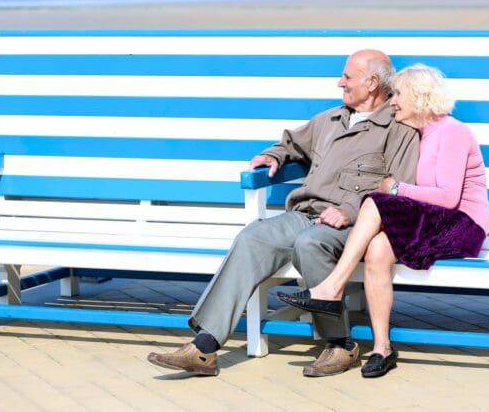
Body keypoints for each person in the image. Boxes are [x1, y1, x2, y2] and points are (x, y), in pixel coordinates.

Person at [147, 50, 419, 377]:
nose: (339, 82)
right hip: (306, 213)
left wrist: (349, 210)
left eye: (347, 77)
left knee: (310, 243)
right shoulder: (329, 120)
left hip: (356, 223)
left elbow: (400, 188)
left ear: (372, 82)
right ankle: (204, 348)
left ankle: (341, 344)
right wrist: (273, 155)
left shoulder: (399, 128)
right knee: (253, 237)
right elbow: (291, 142)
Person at [278, 64, 489, 378]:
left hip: (462, 226)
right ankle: (382, 348)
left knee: (377, 200)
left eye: (399, 94)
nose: (392, 102)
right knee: (377, 247)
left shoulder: (452, 131)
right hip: (433, 222)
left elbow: (447, 197)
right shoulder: (418, 135)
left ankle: (332, 287)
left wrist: (395, 188)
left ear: (418, 97)